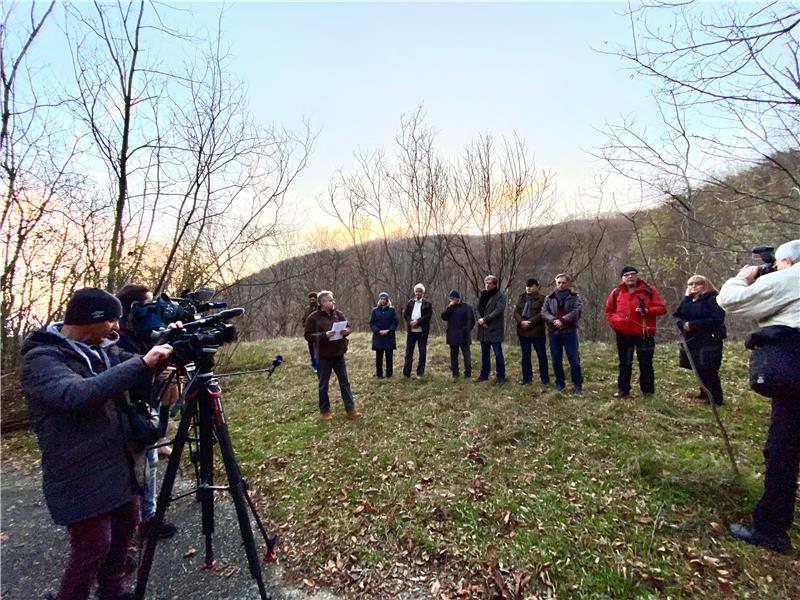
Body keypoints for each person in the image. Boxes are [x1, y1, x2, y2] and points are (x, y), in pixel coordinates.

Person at [20, 287, 173, 600]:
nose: (116, 328)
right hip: (79, 469)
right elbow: (77, 395)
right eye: (111, 321)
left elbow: (131, 367)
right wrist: (143, 364)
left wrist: (163, 361)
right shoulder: (42, 359)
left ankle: (113, 590)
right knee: (93, 546)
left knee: (125, 529)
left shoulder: (104, 349)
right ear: (91, 320)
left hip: (118, 461)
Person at [717, 240, 800, 554]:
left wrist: (743, 276)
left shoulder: (793, 276)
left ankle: (770, 529)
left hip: (794, 367)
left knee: (782, 449)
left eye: (777, 264)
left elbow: (732, 300)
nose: (774, 269)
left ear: (787, 262)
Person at [115, 284, 179, 541]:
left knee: (149, 464)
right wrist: (147, 367)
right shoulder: (117, 336)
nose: (151, 310)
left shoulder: (144, 330)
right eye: (146, 304)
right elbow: (125, 369)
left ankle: (148, 518)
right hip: (128, 412)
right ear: (132, 308)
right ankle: (137, 524)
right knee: (138, 468)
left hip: (143, 406)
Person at [604, 265, 666, 398]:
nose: (630, 277)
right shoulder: (616, 292)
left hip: (644, 333)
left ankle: (648, 392)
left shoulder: (648, 290)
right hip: (623, 334)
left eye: (632, 274)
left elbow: (661, 308)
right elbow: (609, 311)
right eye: (626, 275)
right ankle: (623, 390)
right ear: (622, 278)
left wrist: (648, 311)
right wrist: (615, 322)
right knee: (624, 363)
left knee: (646, 363)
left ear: (637, 276)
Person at [304, 290, 361, 421]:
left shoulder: (338, 314)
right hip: (324, 356)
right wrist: (324, 335)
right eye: (330, 300)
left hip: (338, 354)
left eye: (333, 300)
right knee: (323, 384)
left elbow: (348, 327)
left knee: (345, 382)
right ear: (323, 302)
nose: (333, 301)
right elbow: (308, 336)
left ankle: (350, 409)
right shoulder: (313, 318)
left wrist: (346, 331)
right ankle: (325, 412)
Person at [673, 275, 727, 405]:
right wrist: (683, 324)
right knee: (697, 367)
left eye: (697, 284)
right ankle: (704, 392)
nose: (693, 287)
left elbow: (716, 319)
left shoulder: (713, 299)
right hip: (692, 339)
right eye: (691, 284)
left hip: (709, 339)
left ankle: (715, 397)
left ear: (705, 285)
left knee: (708, 367)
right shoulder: (688, 300)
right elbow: (677, 315)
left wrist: (693, 324)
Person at [541, 273, 583, 395]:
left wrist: (563, 320)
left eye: (563, 282)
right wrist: (554, 320)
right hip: (554, 332)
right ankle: (560, 383)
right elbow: (544, 312)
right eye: (559, 282)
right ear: (556, 283)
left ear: (568, 283)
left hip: (569, 332)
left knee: (574, 360)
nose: (561, 285)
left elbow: (577, 311)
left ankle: (577, 385)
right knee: (556, 359)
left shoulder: (575, 297)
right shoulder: (550, 297)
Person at [513, 277, 549, 386]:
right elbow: (516, 312)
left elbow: (542, 313)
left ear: (537, 287)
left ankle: (545, 379)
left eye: (531, 286)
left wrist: (529, 322)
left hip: (536, 330)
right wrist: (521, 322)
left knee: (541, 355)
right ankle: (527, 378)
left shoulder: (542, 299)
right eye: (527, 286)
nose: (528, 288)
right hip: (522, 331)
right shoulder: (521, 297)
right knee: (525, 356)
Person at [474, 275, 507, 385]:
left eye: (489, 283)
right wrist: (479, 319)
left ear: (494, 284)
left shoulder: (500, 296)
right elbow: (477, 309)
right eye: (486, 283)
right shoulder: (483, 295)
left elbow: (498, 310)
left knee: (498, 354)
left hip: (494, 329)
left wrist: (485, 319)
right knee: (484, 354)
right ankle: (484, 375)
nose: (487, 285)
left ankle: (501, 376)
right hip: (483, 329)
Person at [440, 289, 475, 378]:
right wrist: (449, 308)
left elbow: (471, 321)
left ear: (457, 298)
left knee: (466, 355)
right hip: (453, 335)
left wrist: (466, 330)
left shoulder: (467, 307)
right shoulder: (450, 308)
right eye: (450, 298)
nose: (451, 300)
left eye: (453, 298)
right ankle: (455, 373)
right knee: (453, 356)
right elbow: (444, 317)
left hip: (464, 336)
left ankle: (468, 373)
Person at [402, 283, 433, 378]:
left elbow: (427, 316)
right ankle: (406, 373)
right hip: (411, 332)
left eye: (420, 291)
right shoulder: (410, 302)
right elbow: (405, 314)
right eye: (416, 291)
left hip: (422, 332)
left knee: (422, 353)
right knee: (408, 353)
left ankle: (420, 373)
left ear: (423, 292)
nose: (418, 293)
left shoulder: (428, 304)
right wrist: (410, 322)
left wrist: (418, 322)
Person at [369, 291, 398, 378]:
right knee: (379, 357)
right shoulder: (375, 311)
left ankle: (389, 374)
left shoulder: (392, 310)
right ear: (379, 300)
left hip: (389, 336)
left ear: (387, 300)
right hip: (378, 337)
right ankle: (379, 374)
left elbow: (395, 322)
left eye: (384, 299)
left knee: (389, 356)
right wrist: (378, 331)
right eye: (381, 299)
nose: (383, 300)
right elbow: (372, 323)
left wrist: (389, 330)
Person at [302, 291, 319, 373]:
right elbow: (303, 319)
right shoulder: (307, 309)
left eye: (314, 299)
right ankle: (314, 365)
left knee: (317, 350)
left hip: (318, 333)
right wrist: (305, 326)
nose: (312, 301)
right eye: (310, 299)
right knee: (311, 350)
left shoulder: (320, 309)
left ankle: (318, 365)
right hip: (309, 333)